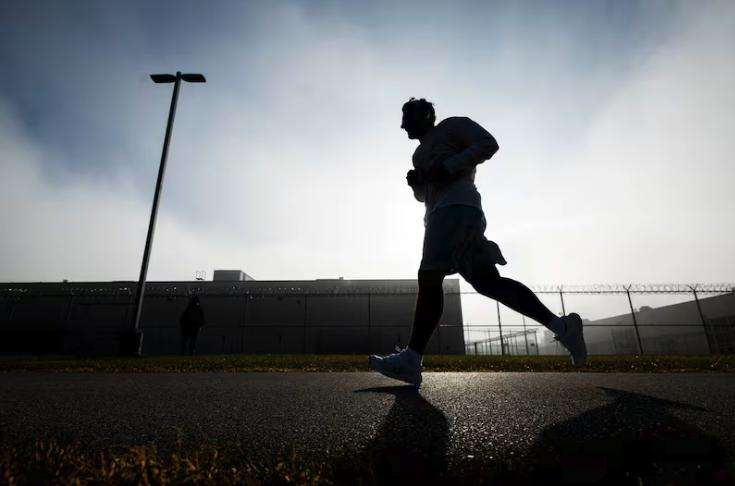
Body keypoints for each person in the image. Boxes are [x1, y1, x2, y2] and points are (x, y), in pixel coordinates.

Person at [369, 98, 587, 387]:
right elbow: (425, 196)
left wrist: (447, 167)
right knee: (488, 283)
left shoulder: (453, 126)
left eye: (407, 117)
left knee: (429, 277)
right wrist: (417, 186)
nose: (402, 124)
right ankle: (562, 326)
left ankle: (412, 359)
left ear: (426, 115)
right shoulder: (418, 154)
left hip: (456, 209)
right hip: (442, 215)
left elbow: (488, 144)